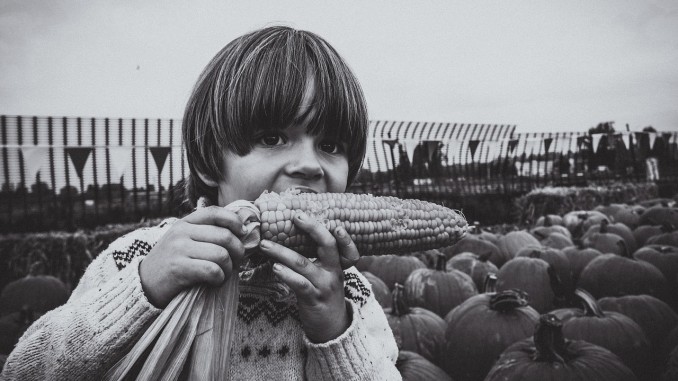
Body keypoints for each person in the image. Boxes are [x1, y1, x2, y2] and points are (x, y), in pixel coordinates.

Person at [1, 26, 400, 380]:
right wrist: (144, 290)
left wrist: (333, 329)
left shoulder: (351, 295)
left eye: (330, 146)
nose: (310, 165)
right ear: (211, 159)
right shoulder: (138, 258)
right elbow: (23, 370)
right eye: (273, 138)